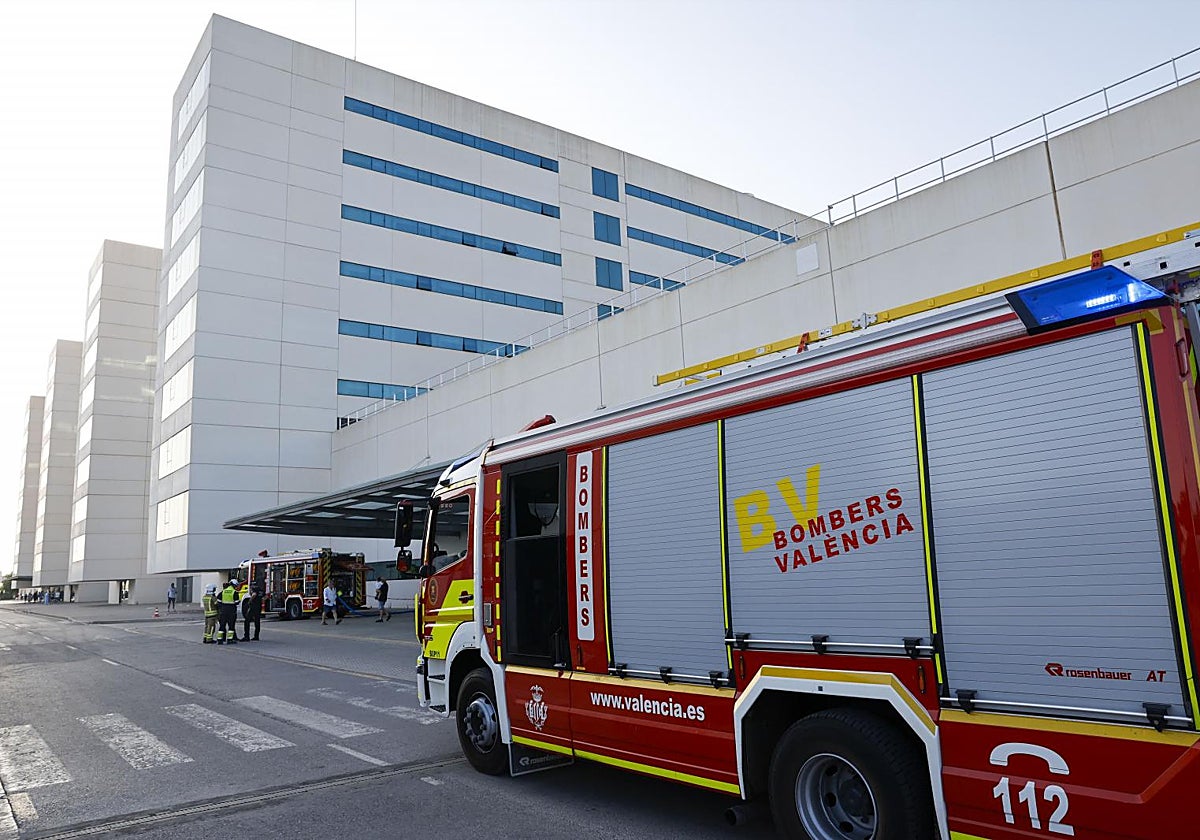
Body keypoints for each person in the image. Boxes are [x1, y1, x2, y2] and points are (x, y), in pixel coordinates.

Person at [217, 579, 239, 644]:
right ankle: (230, 639)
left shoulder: (223, 591)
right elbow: (236, 602)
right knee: (231, 625)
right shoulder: (234, 592)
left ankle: (220, 639)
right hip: (231, 611)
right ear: (234, 585)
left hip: (223, 611)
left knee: (222, 625)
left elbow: (218, 601)